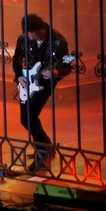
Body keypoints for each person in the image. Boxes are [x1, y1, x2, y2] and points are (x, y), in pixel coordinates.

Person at [12, 14, 70, 169]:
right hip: (27, 82)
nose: (30, 38)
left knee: (30, 116)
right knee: (25, 119)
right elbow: (16, 59)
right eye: (28, 34)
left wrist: (56, 73)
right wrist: (19, 77)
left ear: (41, 29)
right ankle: (46, 147)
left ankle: (42, 153)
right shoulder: (23, 38)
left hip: (44, 84)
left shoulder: (58, 41)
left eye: (33, 34)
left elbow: (67, 66)